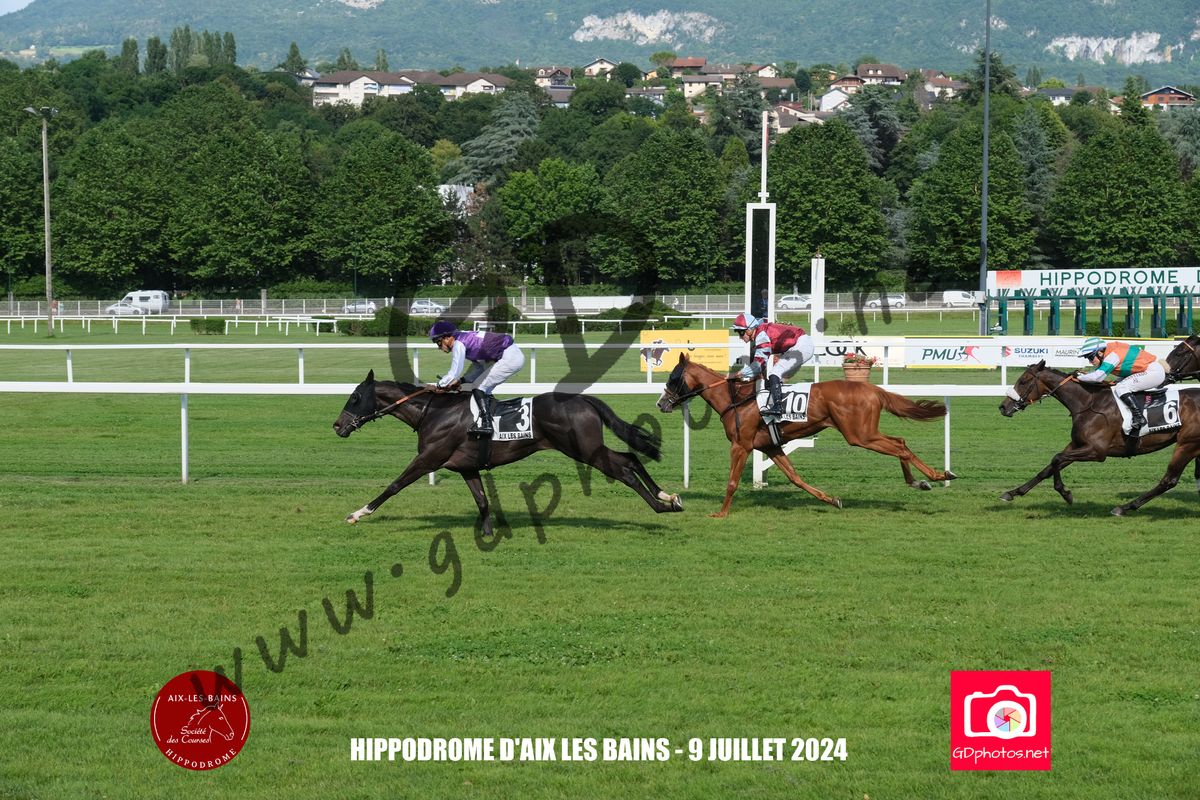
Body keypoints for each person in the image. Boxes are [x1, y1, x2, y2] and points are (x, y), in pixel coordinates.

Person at [428, 321, 526, 436]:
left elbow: (453, 373)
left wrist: (438, 385)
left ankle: (487, 425)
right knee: (483, 389)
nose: (439, 347)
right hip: (508, 355)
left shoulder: (458, 343)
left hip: (509, 358)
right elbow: (479, 368)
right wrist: (461, 381)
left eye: (438, 342)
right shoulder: (465, 338)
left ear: (447, 337)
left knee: (478, 387)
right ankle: (493, 418)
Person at [731, 312, 815, 415]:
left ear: (749, 330)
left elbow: (759, 365)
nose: (740, 337)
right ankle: (775, 402)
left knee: (774, 373)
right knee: (773, 377)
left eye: (740, 332)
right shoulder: (760, 331)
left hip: (802, 345)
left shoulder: (761, 335)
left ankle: (778, 406)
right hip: (800, 344)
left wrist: (740, 373)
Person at [1076, 336, 1166, 431]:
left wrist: (1078, 377)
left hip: (1153, 372)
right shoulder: (1110, 352)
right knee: (1117, 385)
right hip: (1148, 370)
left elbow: (1097, 377)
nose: (1090, 361)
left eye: (1090, 357)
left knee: (1121, 387)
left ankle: (1139, 418)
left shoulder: (1113, 355)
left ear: (1099, 352)